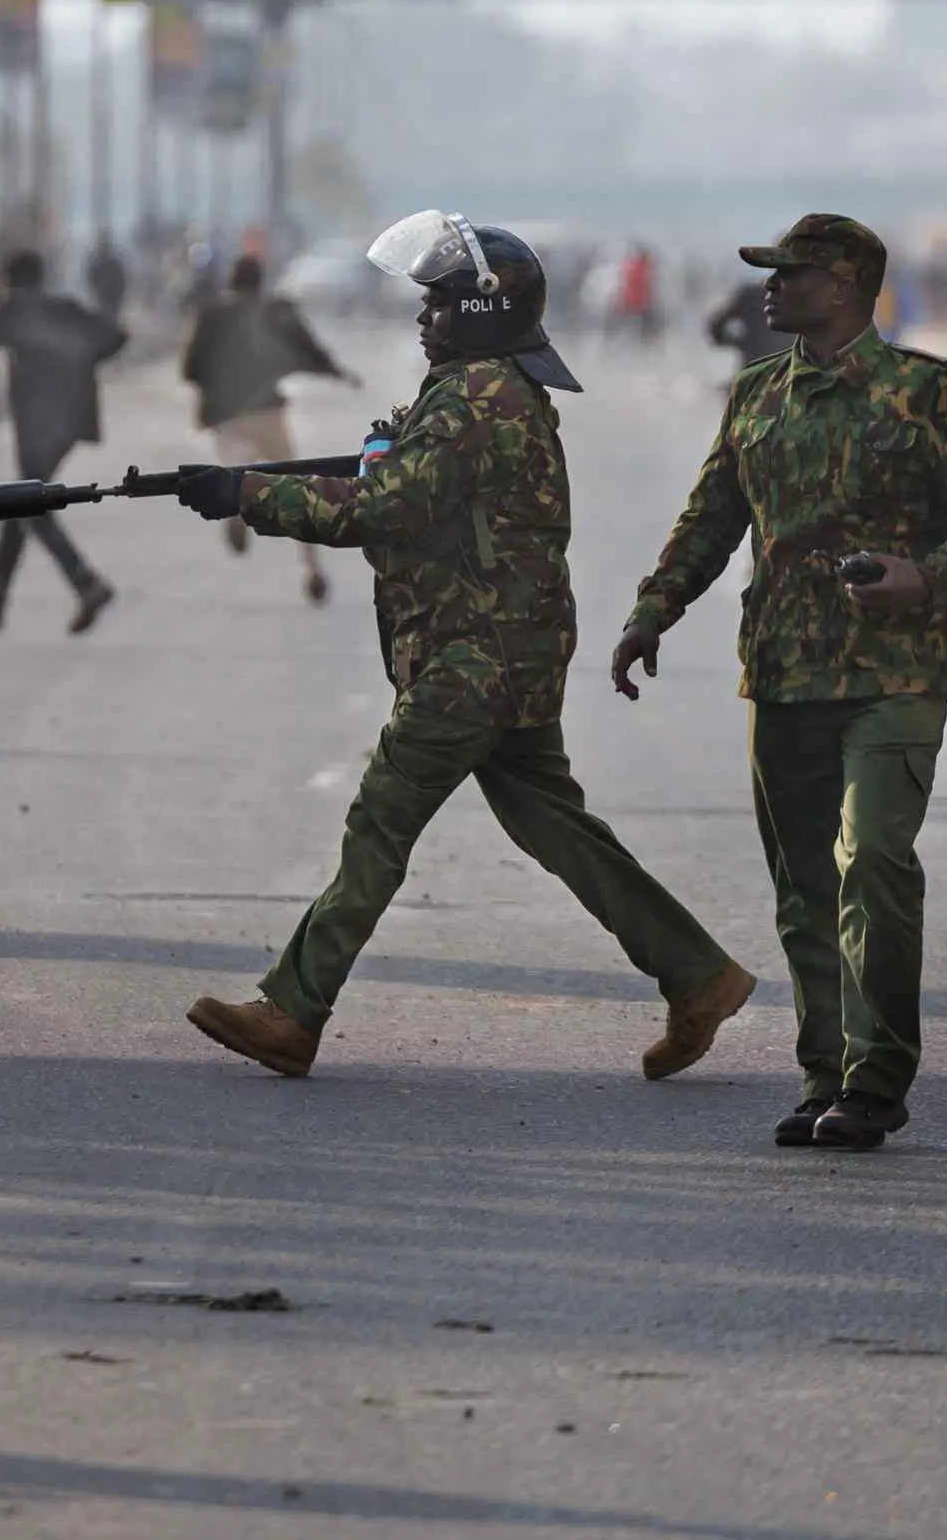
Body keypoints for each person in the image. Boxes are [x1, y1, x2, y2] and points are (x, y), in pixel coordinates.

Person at [181, 212, 753, 1084]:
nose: (424, 318)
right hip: (510, 654)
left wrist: (250, 493)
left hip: (470, 662)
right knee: (560, 830)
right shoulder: (493, 391)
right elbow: (404, 486)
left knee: (381, 818)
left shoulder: (474, 397)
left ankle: (293, 1011)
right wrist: (284, 478)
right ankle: (699, 975)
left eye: (438, 301)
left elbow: (382, 511)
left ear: (481, 310)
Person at [611, 213, 947, 1154]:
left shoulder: (928, 390)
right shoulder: (758, 393)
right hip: (787, 667)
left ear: (843, 286)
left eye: (789, 274)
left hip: (899, 664)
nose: (770, 288)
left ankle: (878, 1080)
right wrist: (651, 613)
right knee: (803, 885)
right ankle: (823, 1073)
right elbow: (712, 514)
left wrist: (929, 573)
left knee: (870, 860)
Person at [0, 250, 127, 634]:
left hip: (38, 420)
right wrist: (79, 359)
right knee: (22, 499)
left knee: (27, 502)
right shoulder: (64, 307)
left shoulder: (8, 308)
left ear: (7, 279)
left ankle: (86, 583)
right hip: (72, 418)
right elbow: (116, 335)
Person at [182, 252, 357, 604]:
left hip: (226, 416)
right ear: (261, 281)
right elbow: (308, 349)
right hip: (268, 412)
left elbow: (190, 368)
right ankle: (309, 567)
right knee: (297, 485)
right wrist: (339, 373)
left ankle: (235, 504)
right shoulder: (276, 310)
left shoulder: (210, 313)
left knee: (235, 472)